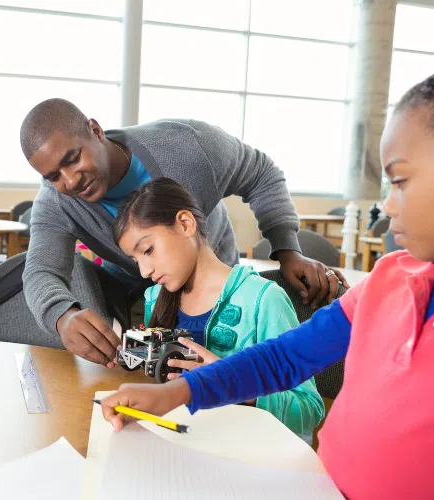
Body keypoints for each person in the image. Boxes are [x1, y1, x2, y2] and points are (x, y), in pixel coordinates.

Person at [101, 34, 434, 499]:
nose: (386, 206)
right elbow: (285, 357)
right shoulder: (387, 279)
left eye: (400, 181)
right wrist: (177, 394)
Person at [19, 98, 345, 367]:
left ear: (95, 130)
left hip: (215, 279)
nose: (71, 181)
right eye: (53, 176)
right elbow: (41, 270)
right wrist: (61, 316)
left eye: (73, 159)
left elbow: (261, 173)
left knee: (227, 362)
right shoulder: (57, 202)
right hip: (144, 300)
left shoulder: (187, 146)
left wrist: (287, 249)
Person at [115, 178, 323, 438]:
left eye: (148, 250)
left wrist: (232, 382)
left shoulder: (263, 300)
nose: (145, 270)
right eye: (136, 261)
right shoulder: (155, 298)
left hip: (243, 452)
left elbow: (309, 409)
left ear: (185, 223)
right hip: (180, 442)